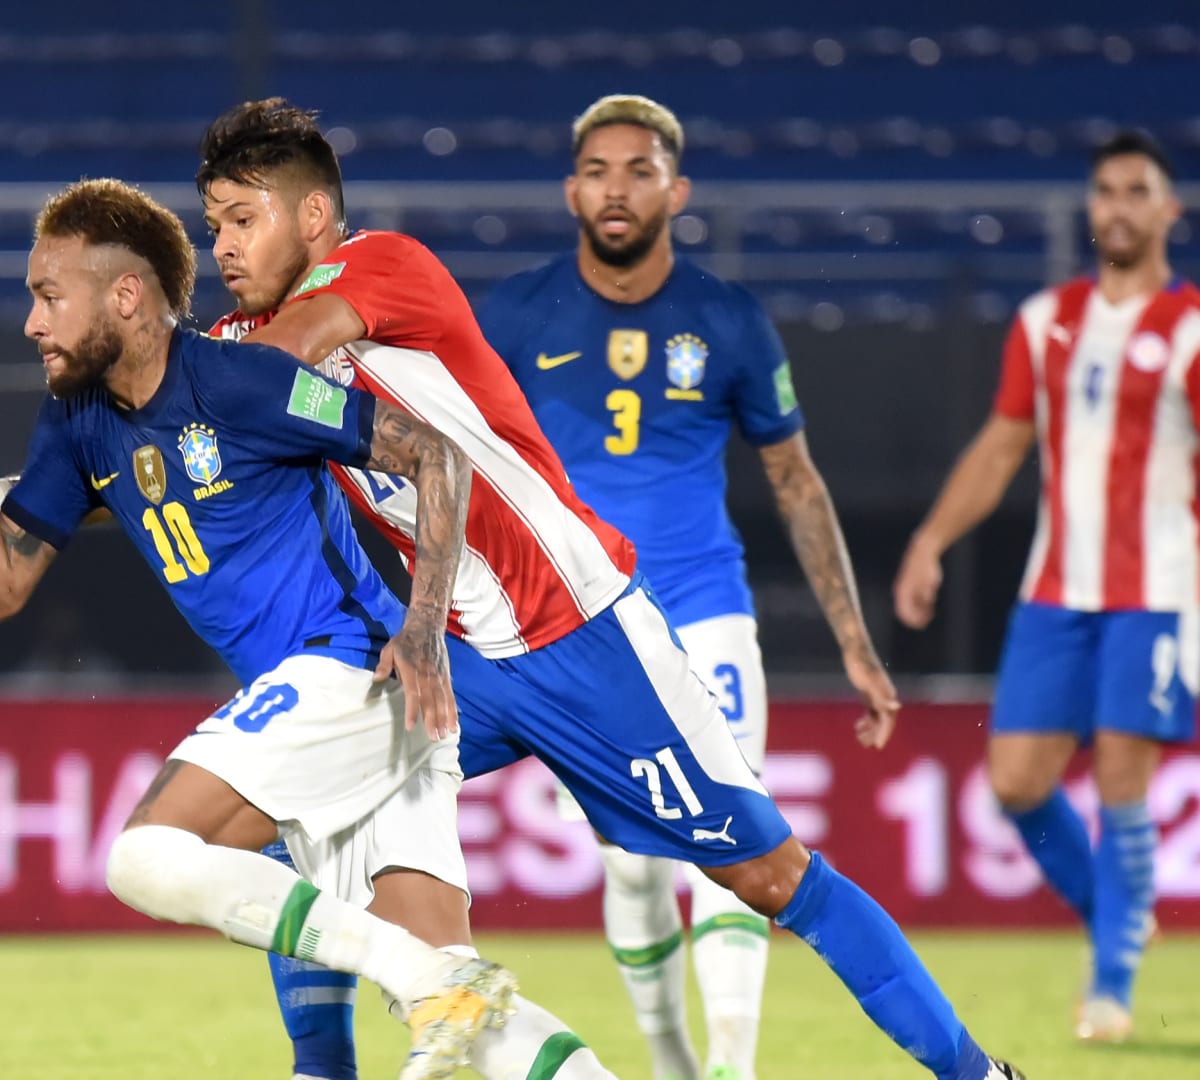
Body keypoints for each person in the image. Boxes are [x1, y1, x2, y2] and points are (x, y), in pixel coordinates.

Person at [200, 98, 1022, 1080]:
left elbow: (263, 369)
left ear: (314, 216)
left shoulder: (380, 266)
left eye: (242, 218)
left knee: (771, 877)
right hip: (465, 659)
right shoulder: (241, 334)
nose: (223, 245)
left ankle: (980, 1076)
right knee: (288, 807)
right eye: (212, 225)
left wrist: (161, 377)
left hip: (584, 633)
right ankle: (323, 1069)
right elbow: (193, 439)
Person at [0, 176, 607, 1080]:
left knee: (145, 857)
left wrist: (422, 629)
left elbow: (431, 453)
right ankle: (444, 988)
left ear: (125, 295)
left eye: (49, 296)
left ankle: (425, 981)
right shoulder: (78, 421)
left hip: (353, 673)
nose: (32, 323)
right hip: (355, 714)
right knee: (470, 1015)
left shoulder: (239, 380)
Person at [476, 93, 900, 1080]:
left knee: (735, 841)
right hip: (581, 627)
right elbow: (465, 460)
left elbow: (796, 480)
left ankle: (731, 1070)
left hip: (706, 614)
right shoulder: (514, 314)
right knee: (632, 866)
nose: (617, 189)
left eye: (640, 170)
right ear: (571, 192)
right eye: (598, 171)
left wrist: (854, 640)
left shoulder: (729, 319)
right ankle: (672, 1063)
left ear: (678, 190)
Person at [894, 129, 1198, 1044]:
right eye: (1105, 190)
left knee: (1120, 781)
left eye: (1136, 191)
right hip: (1056, 590)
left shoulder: (1190, 328)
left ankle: (1110, 988)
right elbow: (1002, 446)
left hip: (1157, 589)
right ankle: (1117, 915)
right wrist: (930, 541)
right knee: (1016, 781)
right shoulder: (1045, 320)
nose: (1118, 206)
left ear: (1169, 211)